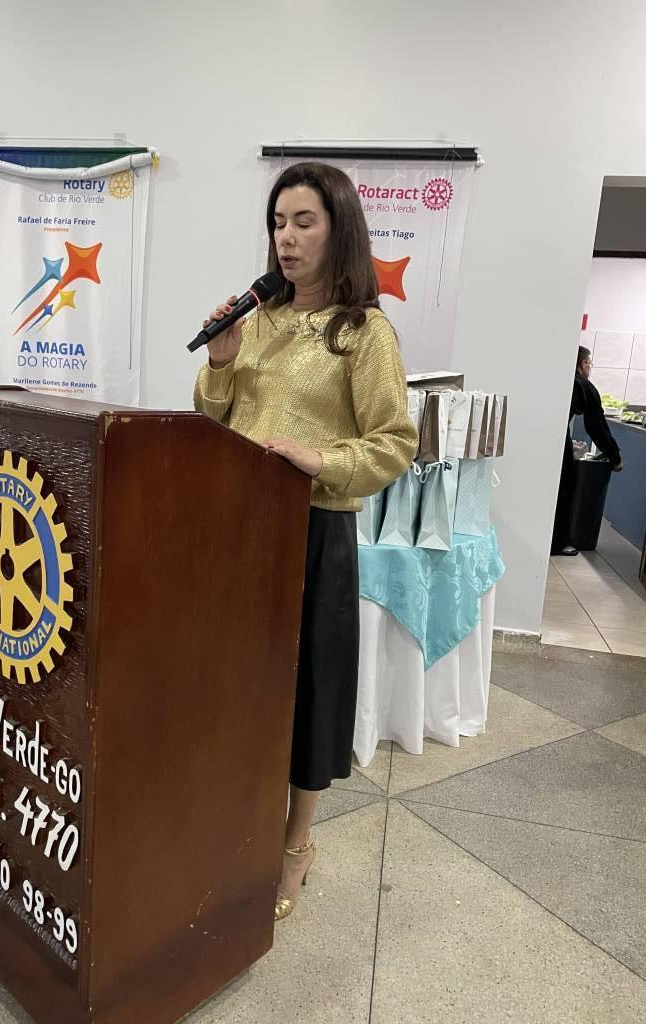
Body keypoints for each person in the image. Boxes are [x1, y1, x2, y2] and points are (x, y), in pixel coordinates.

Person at [193, 162, 417, 921]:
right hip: (238, 533)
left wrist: (320, 459)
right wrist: (221, 362)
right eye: (278, 223)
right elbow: (215, 423)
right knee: (237, 685)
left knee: (307, 694)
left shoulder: (365, 333)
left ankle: (296, 845)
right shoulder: (256, 318)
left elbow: (395, 442)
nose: (286, 238)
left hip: (313, 532)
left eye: (303, 222)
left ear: (338, 228)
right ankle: (237, 822)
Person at [551, 345, 623, 556]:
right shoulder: (581, 384)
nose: (590, 368)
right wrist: (615, 456)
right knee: (564, 488)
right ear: (582, 364)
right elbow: (596, 425)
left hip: (545, 437)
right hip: (558, 439)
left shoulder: (556, 379)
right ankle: (558, 542)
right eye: (589, 363)